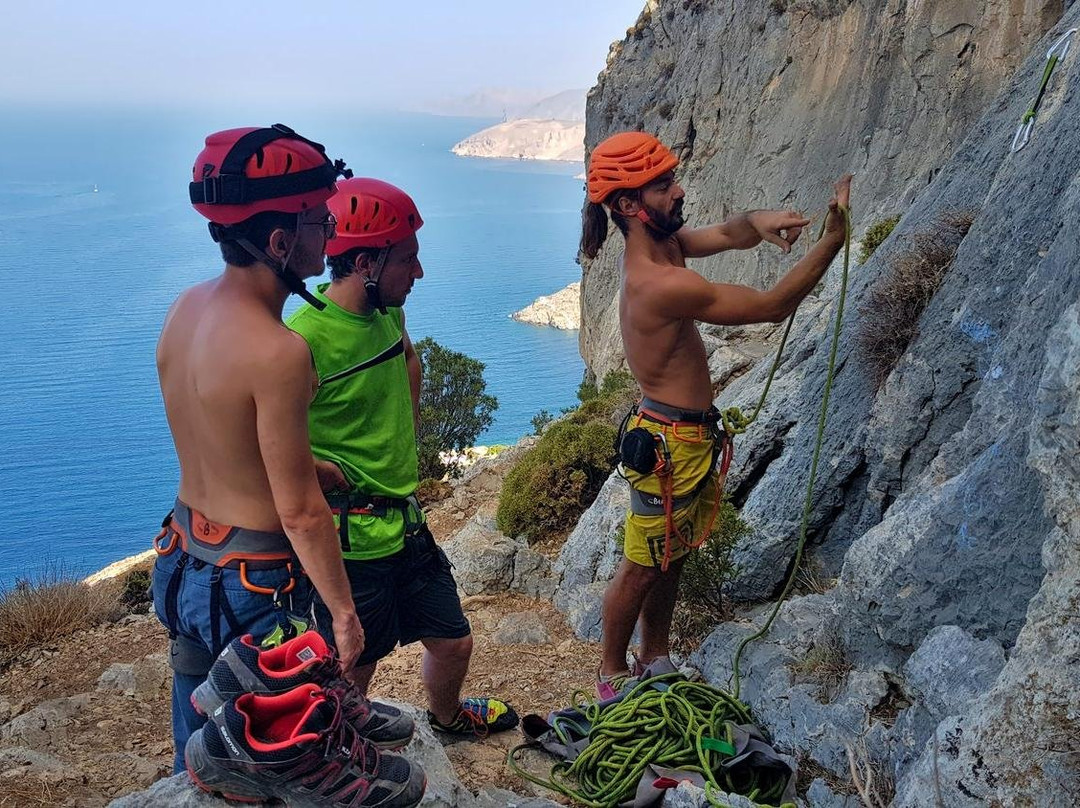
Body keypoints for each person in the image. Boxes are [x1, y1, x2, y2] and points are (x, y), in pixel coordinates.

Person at [580, 131, 852, 693]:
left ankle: (653, 658)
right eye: (663, 186)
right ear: (628, 205)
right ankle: (610, 676)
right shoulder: (659, 283)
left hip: (686, 437)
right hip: (668, 445)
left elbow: (727, 233)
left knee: (670, 554)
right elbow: (774, 307)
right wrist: (832, 241)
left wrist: (757, 221)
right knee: (641, 564)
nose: (678, 191)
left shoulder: (668, 245)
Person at [153, 125, 370, 772]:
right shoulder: (279, 352)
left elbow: (224, 440)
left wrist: (315, 466)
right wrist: (344, 614)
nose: (329, 234)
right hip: (256, 583)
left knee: (199, 738)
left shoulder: (184, 310)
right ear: (279, 242)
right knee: (272, 759)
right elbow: (299, 512)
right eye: (318, 221)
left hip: (183, 557)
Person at [286, 177, 519, 736]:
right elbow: (256, 433)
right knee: (354, 666)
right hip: (351, 537)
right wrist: (314, 468)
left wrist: (404, 430)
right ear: (366, 262)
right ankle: (337, 756)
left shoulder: (388, 315)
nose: (418, 273)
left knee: (454, 641)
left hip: (405, 522)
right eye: (408, 259)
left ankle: (447, 717)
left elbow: (408, 358)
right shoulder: (302, 339)